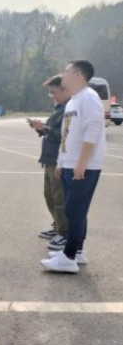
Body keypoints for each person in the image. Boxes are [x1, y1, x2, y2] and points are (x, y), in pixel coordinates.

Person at [42, 60, 106, 273]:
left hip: (84, 165)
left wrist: (82, 162)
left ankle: (68, 258)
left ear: (79, 74)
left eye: (66, 71)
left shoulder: (89, 97)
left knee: (73, 210)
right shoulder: (73, 101)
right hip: (69, 163)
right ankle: (77, 251)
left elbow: (92, 130)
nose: (63, 75)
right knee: (76, 210)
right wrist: (61, 162)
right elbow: (66, 135)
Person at [28, 75, 70, 251]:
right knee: (49, 195)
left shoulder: (70, 109)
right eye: (50, 93)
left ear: (65, 89)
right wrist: (41, 128)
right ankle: (57, 225)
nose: (52, 96)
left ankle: (64, 233)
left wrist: (45, 128)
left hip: (58, 160)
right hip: (49, 158)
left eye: (54, 92)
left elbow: (65, 136)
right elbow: (53, 132)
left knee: (60, 198)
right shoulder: (59, 108)